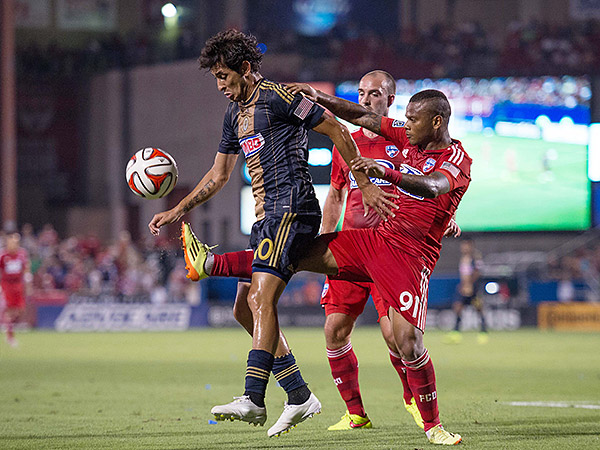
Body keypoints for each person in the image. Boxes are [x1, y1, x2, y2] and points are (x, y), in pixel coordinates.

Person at [183, 86, 470, 445]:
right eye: (407, 119)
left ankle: (433, 427)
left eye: (414, 120)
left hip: (410, 257)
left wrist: (388, 173)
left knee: (407, 343)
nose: (406, 125)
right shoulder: (407, 135)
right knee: (291, 254)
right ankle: (210, 262)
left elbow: (432, 186)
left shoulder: (458, 158)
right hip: (374, 240)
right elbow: (362, 117)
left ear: (437, 121)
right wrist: (317, 96)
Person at [148, 29, 395, 438]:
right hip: (266, 217)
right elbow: (221, 174)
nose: (220, 87)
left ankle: (253, 397)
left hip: (292, 207)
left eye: (224, 77)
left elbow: (335, 128)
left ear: (246, 69)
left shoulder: (278, 97)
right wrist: (179, 207)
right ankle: (299, 395)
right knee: (244, 308)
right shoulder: (234, 115)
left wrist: (363, 181)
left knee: (262, 296)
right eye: (215, 79)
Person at [319, 70, 459, 431]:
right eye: (361, 93)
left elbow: (432, 186)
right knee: (334, 329)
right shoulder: (344, 143)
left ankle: (412, 399)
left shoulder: (405, 142)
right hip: (351, 247)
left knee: (395, 337)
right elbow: (334, 196)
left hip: (390, 251)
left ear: (389, 101)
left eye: (374, 94)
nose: (366, 100)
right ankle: (355, 413)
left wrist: (447, 217)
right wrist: (324, 239)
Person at [446, 237, 487, 344]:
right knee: (458, 307)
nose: (463, 247)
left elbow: (477, 272)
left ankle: (483, 332)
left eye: (466, 245)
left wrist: (470, 285)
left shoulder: (475, 257)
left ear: (470, 246)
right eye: (462, 245)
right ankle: (455, 333)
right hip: (464, 287)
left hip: (473, 288)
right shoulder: (464, 258)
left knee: (479, 308)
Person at [0, 232, 32, 347]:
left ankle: (8, 324)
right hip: (7, 285)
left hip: (18, 285)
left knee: (20, 309)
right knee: (9, 310)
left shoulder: (22, 254)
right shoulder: (3, 256)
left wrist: (28, 284)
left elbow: (26, 269)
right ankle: (10, 335)